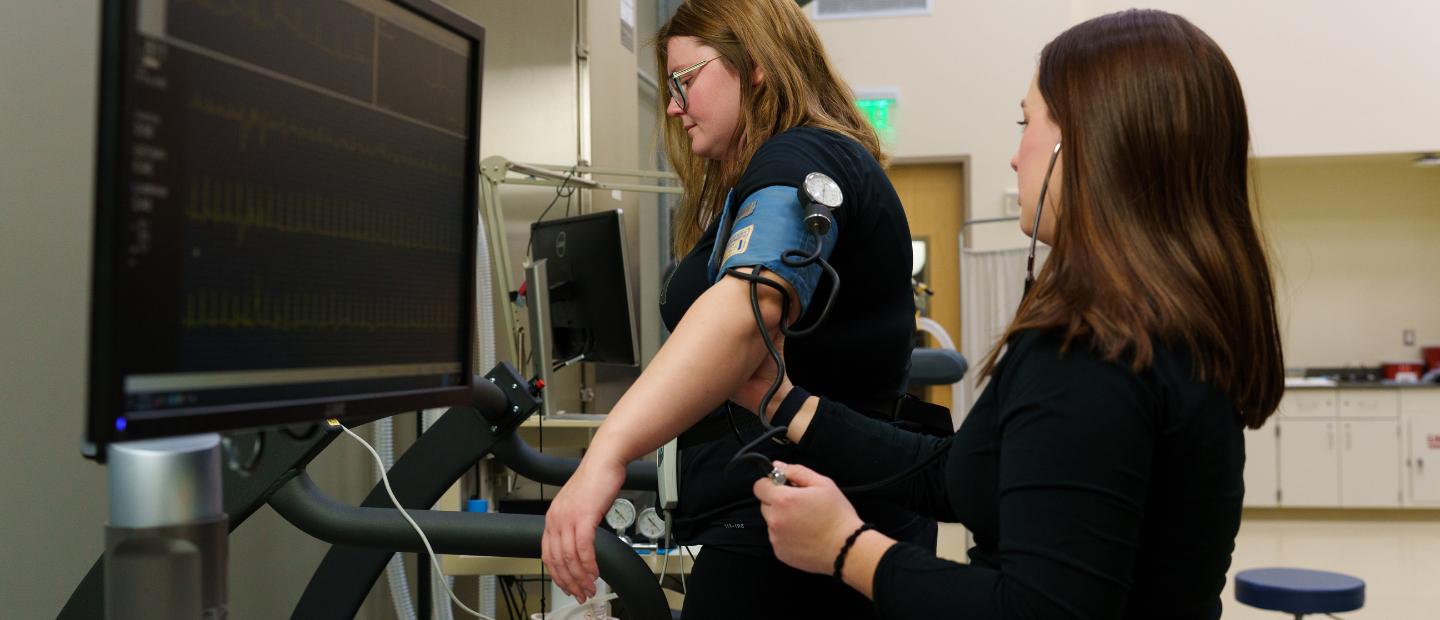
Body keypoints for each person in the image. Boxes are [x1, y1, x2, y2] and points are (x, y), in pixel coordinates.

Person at [735, 9, 1285, 620]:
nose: (1016, 157)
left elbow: (1037, 608)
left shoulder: (1097, 348)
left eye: (1027, 123)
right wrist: (789, 403)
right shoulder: (1174, 321)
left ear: (1082, 144)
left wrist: (845, 549)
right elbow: (965, 474)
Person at [541, 1, 926, 617]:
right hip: (791, 522)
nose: (672, 106)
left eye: (684, 81)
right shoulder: (777, 172)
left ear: (755, 66)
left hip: (800, 534)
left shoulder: (802, 156)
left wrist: (605, 455)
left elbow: (752, 311)